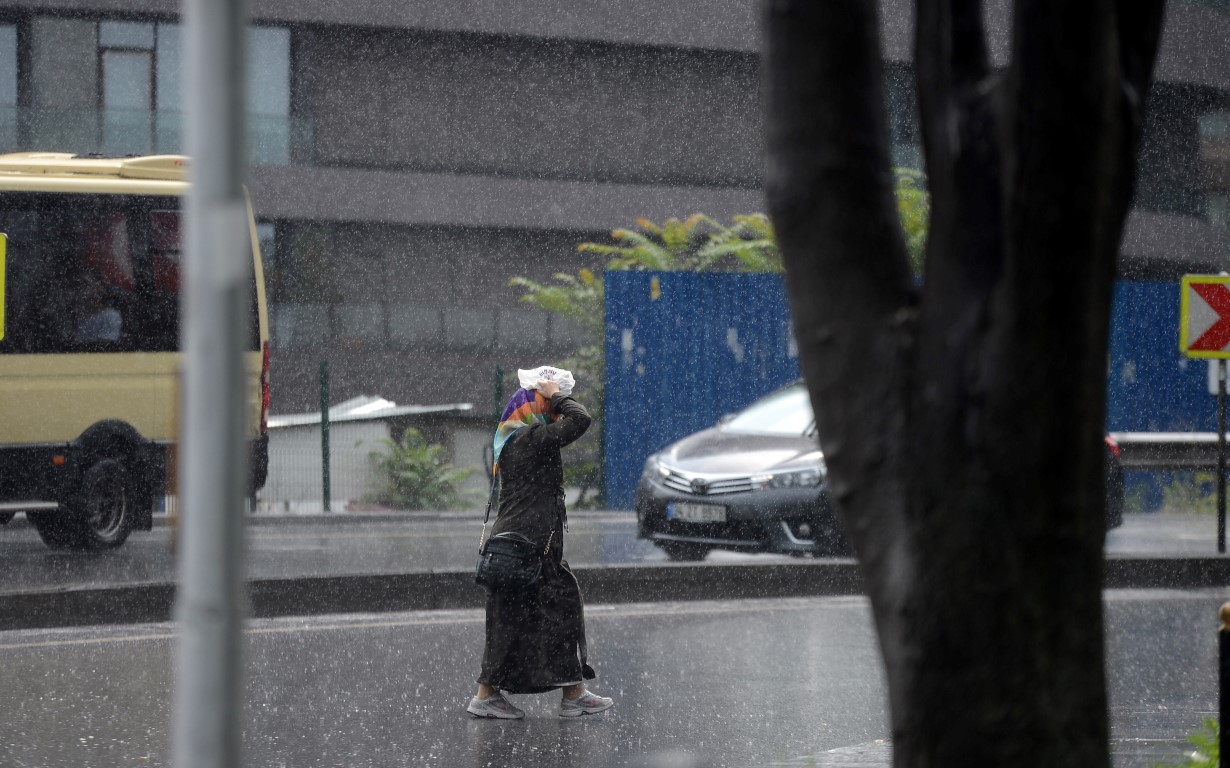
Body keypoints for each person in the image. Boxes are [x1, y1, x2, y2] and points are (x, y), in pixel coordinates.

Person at [467, 371, 615, 719]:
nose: (556, 412)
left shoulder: (519, 437)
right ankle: (492, 696)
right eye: (549, 405)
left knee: (535, 616)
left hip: (531, 547)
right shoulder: (528, 438)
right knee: (516, 619)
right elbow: (581, 419)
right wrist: (557, 394)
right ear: (533, 405)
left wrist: (553, 397)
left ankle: (570, 693)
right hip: (524, 548)